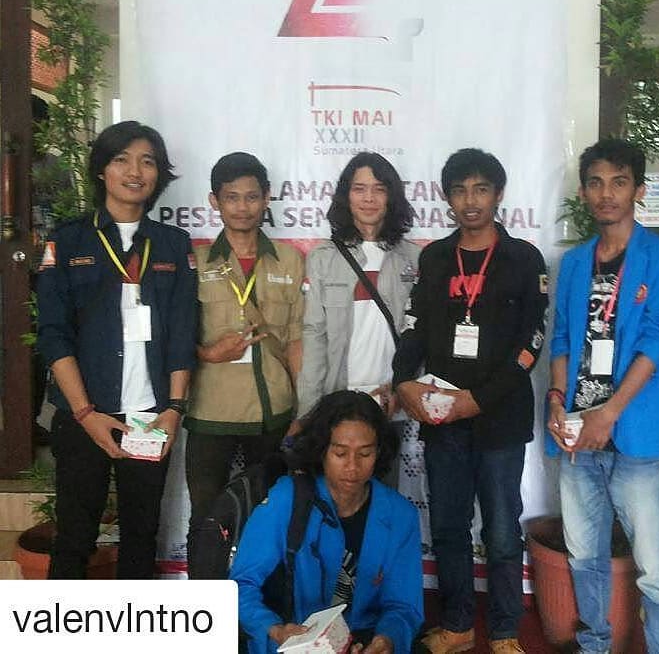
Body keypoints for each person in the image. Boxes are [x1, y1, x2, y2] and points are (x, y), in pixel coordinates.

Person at [392, 148, 548, 654]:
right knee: (448, 526)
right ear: (447, 198)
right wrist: (402, 380)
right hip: (443, 419)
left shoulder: (523, 258)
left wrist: (478, 400)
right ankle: (458, 624)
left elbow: (531, 343)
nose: (470, 201)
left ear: (498, 194)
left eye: (481, 189)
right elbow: (415, 326)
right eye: (459, 191)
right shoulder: (436, 258)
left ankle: (504, 630)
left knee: (501, 531)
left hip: (500, 418)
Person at [545, 137, 659, 654]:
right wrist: (557, 399)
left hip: (635, 435)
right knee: (585, 559)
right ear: (584, 192)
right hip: (578, 435)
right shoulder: (574, 263)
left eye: (619, 182)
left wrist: (609, 413)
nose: (607, 193)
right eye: (596, 183)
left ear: (638, 190)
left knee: (654, 570)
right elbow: (562, 339)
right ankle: (594, 646)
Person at [37, 120, 197, 578]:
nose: (135, 171)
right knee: (74, 536)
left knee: (142, 537)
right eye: (121, 159)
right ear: (101, 170)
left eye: (147, 161)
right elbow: (53, 333)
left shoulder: (172, 244)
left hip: (149, 416)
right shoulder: (68, 241)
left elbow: (183, 332)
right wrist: (86, 413)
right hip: (83, 414)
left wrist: (174, 409)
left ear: (158, 174)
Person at [185, 152, 305, 578]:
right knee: (205, 518)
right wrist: (207, 354)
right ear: (214, 201)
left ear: (267, 199)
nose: (242, 207)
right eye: (231, 197)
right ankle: (208, 607)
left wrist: (301, 410)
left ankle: (263, 608)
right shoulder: (195, 260)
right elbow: (175, 337)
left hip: (273, 410)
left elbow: (296, 339)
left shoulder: (289, 260)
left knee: (271, 517)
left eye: (252, 197)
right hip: (210, 410)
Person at [231, 390, 424, 654]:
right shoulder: (288, 498)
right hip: (290, 639)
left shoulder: (400, 515)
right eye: (340, 453)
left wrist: (387, 640)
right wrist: (273, 628)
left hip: (360, 640)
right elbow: (241, 585)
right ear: (321, 451)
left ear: (379, 452)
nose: (352, 467)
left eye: (365, 454)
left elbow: (403, 606)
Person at [295, 152, 419, 425]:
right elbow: (315, 337)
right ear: (346, 196)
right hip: (337, 400)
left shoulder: (414, 258)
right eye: (359, 189)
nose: (369, 199)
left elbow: (421, 337)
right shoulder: (323, 258)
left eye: (379, 189)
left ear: (391, 197)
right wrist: (308, 411)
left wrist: (404, 389)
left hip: (393, 401)